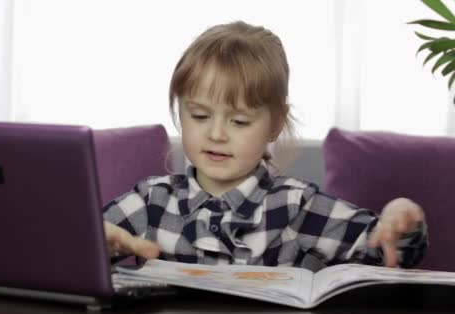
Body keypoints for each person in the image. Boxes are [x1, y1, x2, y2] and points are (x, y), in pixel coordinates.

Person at [102, 21, 427, 271]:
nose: (216, 134)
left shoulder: (297, 205)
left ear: (274, 124)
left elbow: (387, 253)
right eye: (199, 115)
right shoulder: (150, 202)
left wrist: (400, 223)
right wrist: (99, 243)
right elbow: (69, 252)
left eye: (239, 122)